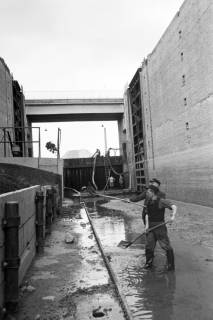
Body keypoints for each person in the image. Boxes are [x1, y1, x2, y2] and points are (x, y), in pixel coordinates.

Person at [144, 185, 177, 271]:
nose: (146, 194)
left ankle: (170, 266)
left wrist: (172, 216)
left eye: (148, 192)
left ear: (152, 192)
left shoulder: (161, 201)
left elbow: (174, 206)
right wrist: (147, 226)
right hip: (150, 227)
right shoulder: (148, 202)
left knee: (165, 246)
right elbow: (147, 214)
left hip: (160, 227)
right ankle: (148, 263)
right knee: (149, 246)